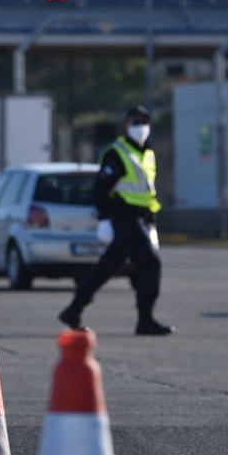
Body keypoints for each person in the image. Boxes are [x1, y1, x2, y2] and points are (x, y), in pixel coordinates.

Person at [58, 105, 174, 336]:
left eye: (144, 121)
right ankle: (145, 319)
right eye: (136, 122)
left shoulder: (147, 153)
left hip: (141, 218)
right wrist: (103, 219)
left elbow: (145, 191)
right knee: (150, 263)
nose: (141, 127)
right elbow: (101, 189)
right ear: (126, 125)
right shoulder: (117, 153)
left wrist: (151, 220)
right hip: (124, 216)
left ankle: (74, 309)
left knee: (107, 267)